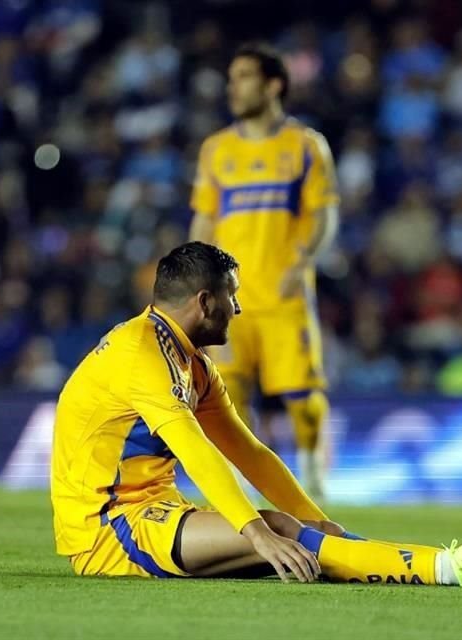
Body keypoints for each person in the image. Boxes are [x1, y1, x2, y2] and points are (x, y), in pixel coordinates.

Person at [50, 241, 462, 584]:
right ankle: (451, 567)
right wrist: (256, 532)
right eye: (233, 296)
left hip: (154, 513)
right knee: (280, 533)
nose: (240, 309)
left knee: (304, 534)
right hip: (108, 529)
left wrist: (318, 519)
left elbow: (249, 452)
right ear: (205, 302)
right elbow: (198, 453)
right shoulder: (142, 353)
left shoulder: (189, 360)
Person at [189, 43, 338, 499]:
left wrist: (302, 263)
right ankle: (240, 488)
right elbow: (204, 219)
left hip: (283, 293)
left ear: (274, 84)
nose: (233, 87)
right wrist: (195, 275)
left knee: (302, 396)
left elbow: (323, 214)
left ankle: (313, 478)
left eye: (244, 76)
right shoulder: (216, 149)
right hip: (230, 299)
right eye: (231, 78)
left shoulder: (306, 146)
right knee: (227, 397)